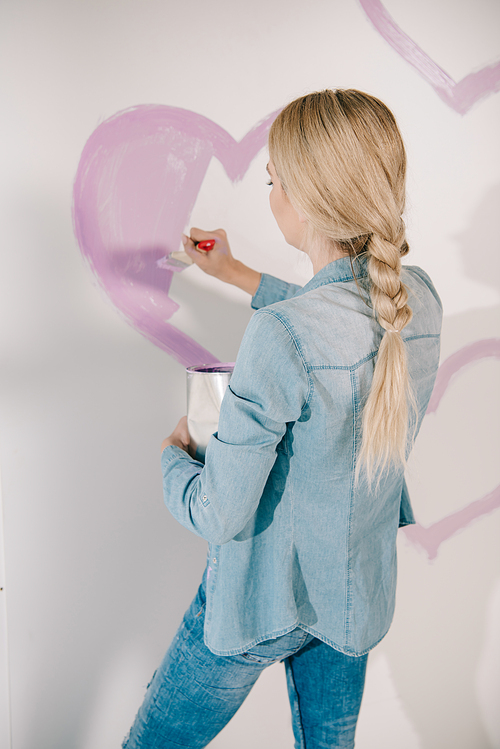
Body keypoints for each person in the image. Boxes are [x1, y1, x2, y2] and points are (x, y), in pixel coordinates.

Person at [123, 89, 442, 749]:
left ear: (303, 198)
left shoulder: (283, 335)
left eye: (274, 181)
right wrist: (235, 272)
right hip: (350, 597)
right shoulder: (419, 300)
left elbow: (218, 512)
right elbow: (342, 320)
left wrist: (170, 456)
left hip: (259, 600)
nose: (271, 194)